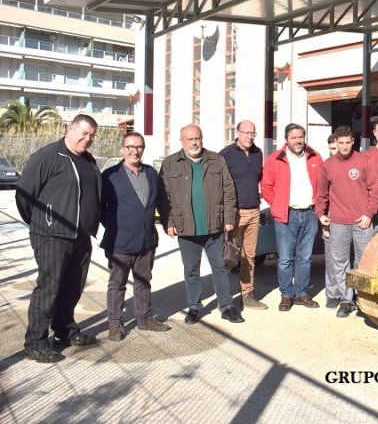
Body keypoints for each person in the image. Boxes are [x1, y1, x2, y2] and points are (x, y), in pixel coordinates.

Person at [16, 114, 101, 363]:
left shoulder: (88, 161)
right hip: (52, 236)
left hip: (81, 236)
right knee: (49, 289)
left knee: (72, 287)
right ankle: (35, 341)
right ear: (70, 129)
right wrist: (43, 223)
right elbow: (24, 196)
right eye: (84, 133)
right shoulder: (48, 156)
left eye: (92, 136)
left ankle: (65, 332)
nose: (88, 139)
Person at [158, 125, 242, 324]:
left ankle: (227, 306)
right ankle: (194, 307)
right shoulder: (171, 163)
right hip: (186, 228)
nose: (194, 142)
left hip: (215, 227)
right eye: (190, 139)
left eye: (197, 138)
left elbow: (229, 190)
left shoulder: (216, 160)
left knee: (220, 268)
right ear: (182, 141)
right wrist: (168, 221)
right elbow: (163, 196)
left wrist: (229, 218)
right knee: (191, 270)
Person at [101, 132, 170, 341]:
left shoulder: (150, 173)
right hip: (119, 241)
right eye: (130, 147)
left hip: (146, 241)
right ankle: (115, 324)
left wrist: (168, 224)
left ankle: (145, 319)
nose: (135, 151)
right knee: (117, 284)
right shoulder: (110, 175)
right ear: (122, 149)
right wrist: (115, 227)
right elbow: (101, 207)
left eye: (139, 147)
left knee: (143, 281)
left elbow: (161, 202)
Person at [316, 126, 378, 318]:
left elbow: (374, 192)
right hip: (338, 222)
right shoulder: (327, 165)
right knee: (340, 262)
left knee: (364, 261)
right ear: (335, 143)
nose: (344, 147)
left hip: (362, 222)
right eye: (340, 143)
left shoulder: (364, 161)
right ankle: (346, 300)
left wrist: (369, 214)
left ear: (353, 142)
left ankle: (363, 299)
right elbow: (321, 195)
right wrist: (321, 214)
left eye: (347, 142)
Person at [261, 123, 323, 312]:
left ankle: (302, 294)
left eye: (300, 137)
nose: (297, 140)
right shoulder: (274, 160)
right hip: (286, 215)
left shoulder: (314, 156)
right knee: (286, 258)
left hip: (310, 214)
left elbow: (321, 183)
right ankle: (286, 295)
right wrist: (278, 204)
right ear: (286, 140)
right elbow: (266, 187)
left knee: (304, 258)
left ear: (304, 138)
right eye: (293, 137)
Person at [219, 120, 267, 310]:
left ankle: (247, 295)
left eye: (252, 133)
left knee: (250, 256)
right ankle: (224, 298)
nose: (249, 136)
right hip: (234, 213)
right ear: (237, 133)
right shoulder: (225, 155)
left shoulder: (257, 153)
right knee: (229, 256)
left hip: (254, 210)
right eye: (245, 132)